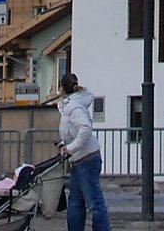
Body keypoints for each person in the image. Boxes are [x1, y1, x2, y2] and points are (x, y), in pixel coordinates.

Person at [55, 71, 109, 231]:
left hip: (86, 159)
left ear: (62, 89)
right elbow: (72, 131)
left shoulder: (73, 107)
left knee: (93, 203)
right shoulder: (73, 104)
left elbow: (85, 129)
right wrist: (64, 144)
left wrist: (70, 148)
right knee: (75, 203)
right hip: (79, 160)